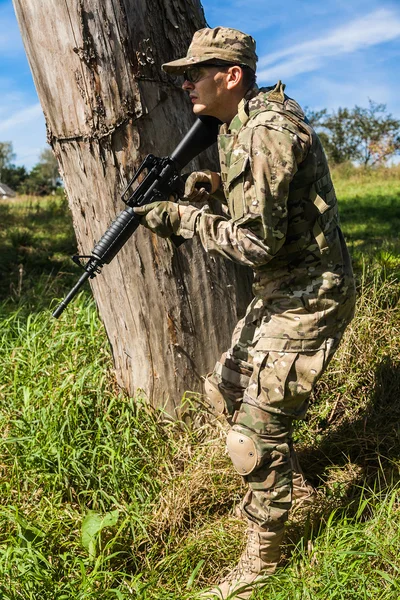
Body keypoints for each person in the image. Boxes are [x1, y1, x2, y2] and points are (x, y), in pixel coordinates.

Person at [134, 27, 356, 600]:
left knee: (251, 437)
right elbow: (268, 206)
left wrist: (181, 219)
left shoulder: (266, 132)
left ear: (231, 76)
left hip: (310, 295)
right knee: (226, 391)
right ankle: (292, 485)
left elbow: (257, 244)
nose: (186, 83)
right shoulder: (245, 121)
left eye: (195, 72)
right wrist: (212, 187)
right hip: (284, 288)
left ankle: (263, 559)